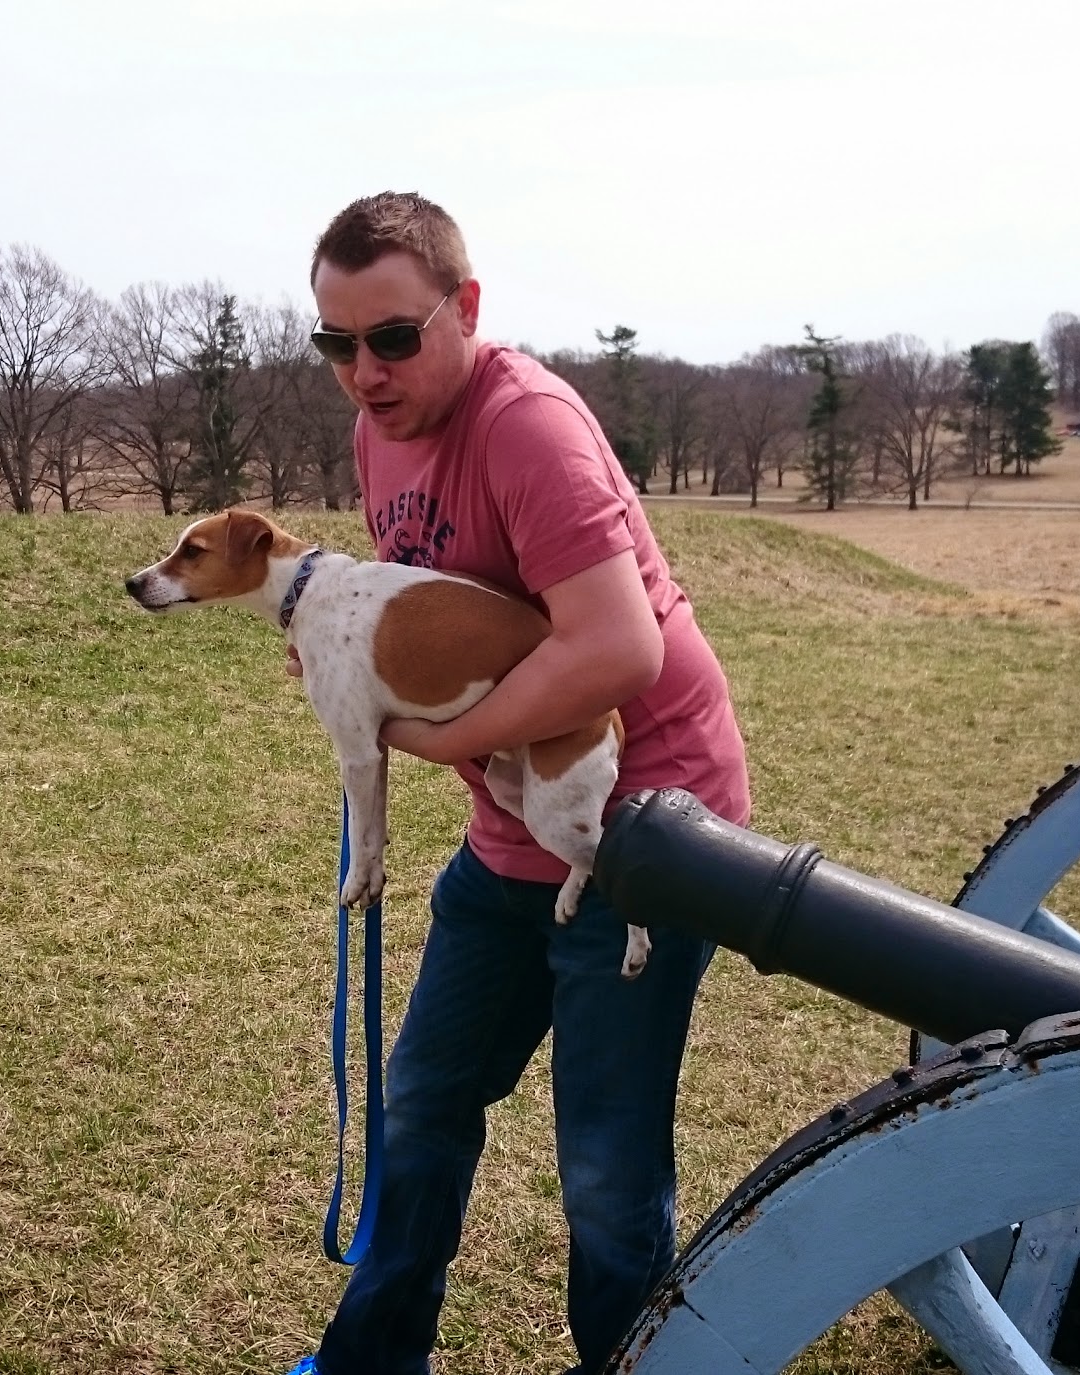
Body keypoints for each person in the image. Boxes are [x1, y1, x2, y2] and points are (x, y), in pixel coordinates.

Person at [290, 191, 750, 1375]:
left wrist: (444, 744)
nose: (363, 372)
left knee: (603, 1169)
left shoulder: (526, 424)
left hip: (643, 828)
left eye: (391, 336)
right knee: (418, 1109)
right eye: (335, 343)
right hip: (509, 833)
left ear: (466, 307)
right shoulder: (376, 428)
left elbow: (615, 650)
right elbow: (437, 606)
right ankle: (371, 1361)